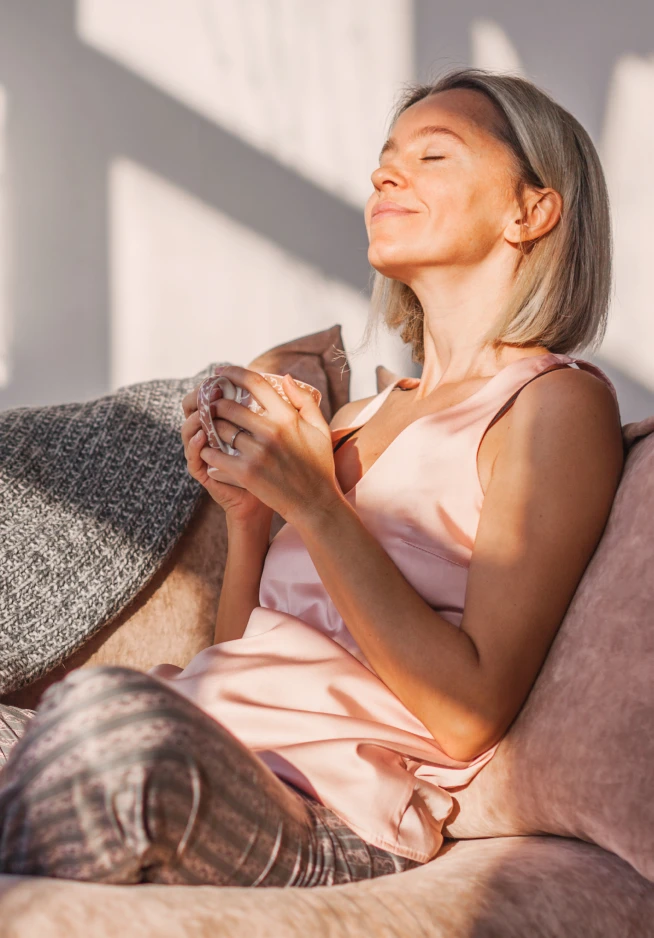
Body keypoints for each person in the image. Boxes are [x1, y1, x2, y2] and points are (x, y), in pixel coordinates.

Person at [0, 66, 624, 887]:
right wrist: (249, 519)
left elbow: (469, 714)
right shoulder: (356, 422)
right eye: (385, 157)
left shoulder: (552, 404)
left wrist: (313, 501)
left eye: (433, 156)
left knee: (106, 726)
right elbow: (236, 657)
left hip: (329, 809)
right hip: (204, 734)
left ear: (531, 210)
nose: (383, 174)